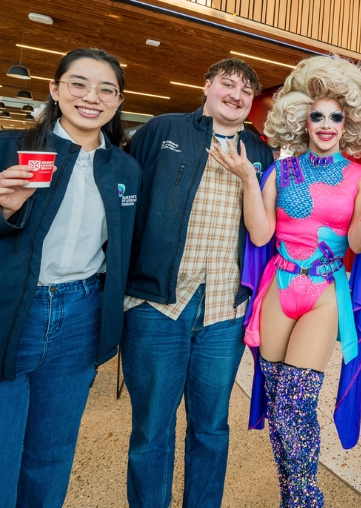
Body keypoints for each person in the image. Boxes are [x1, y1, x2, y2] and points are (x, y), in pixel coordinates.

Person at [0, 48, 140, 508]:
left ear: (118, 102)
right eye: (78, 83)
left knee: (49, 460)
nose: (91, 97)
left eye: (106, 89)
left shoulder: (124, 169)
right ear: (55, 90)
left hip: (81, 317)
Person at [217, 55, 361, 507]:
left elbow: (355, 240)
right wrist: (249, 182)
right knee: (278, 406)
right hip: (281, 287)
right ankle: (290, 491)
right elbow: (261, 234)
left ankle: (306, 498)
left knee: (297, 403)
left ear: (348, 122)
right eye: (318, 116)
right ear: (303, 120)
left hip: (324, 293)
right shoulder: (279, 171)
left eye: (336, 116)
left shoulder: (360, 177)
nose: (327, 124)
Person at [121, 58, 272, 508]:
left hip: (225, 311)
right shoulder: (162, 130)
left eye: (246, 90)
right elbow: (123, 201)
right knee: (152, 429)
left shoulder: (260, 153)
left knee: (211, 428)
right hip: (156, 305)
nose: (236, 94)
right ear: (206, 86)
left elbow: (264, 231)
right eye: (228, 84)